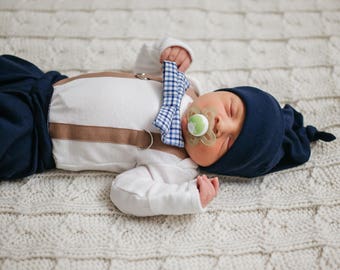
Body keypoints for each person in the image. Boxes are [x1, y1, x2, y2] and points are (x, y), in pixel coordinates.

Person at [0, 38, 335, 216]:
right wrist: (168, 50)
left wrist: (183, 199)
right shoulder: (188, 84)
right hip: (42, 83)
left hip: (33, 136)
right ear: (222, 93)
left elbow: (126, 193)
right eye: (231, 109)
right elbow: (142, 65)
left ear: (214, 164)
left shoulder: (175, 165)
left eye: (228, 142)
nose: (221, 124)